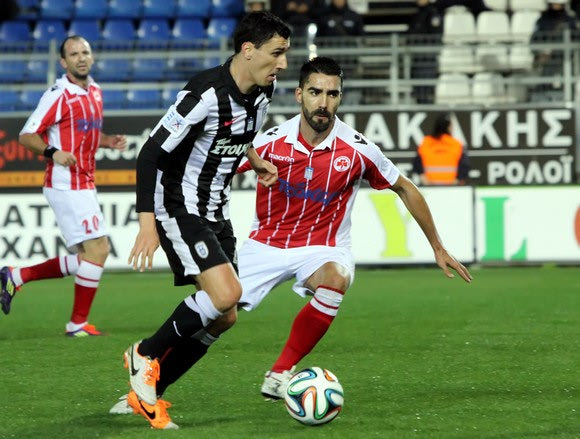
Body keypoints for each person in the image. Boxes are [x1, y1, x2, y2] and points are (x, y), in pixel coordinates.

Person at [110, 57, 472, 417]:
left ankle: (280, 373)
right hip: (264, 245)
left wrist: (437, 246)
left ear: (340, 98)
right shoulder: (269, 142)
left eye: (332, 94)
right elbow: (213, 169)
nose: (323, 102)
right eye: (315, 92)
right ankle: (148, 389)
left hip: (323, 247)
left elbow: (405, 187)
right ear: (299, 94)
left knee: (335, 279)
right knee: (219, 316)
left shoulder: (358, 148)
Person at [118, 11, 291, 430]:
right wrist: (147, 225)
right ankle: (144, 354)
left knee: (224, 316)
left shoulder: (264, 91)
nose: (283, 63)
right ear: (248, 50)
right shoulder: (204, 93)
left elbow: (239, 135)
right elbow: (150, 153)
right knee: (227, 293)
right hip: (179, 206)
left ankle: (145, 393)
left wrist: (255, 160)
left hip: (217, 212)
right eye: (277, 53)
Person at [1, 35, 127, 337]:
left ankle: (16, 276)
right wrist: (52, 152)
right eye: (74, 54)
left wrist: (107, 141)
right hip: (66, 183)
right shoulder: (58, 95)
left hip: (84, 182)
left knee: (87, 257)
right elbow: (26, 135)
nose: (81, 58)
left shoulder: (95, 91)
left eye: (85, 52)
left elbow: (87, 133)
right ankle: (77, 324)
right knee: (99, 249)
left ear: (92, 57)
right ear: (63, 62)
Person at [412, 112, 470, 186]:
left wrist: (423, 178)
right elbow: (465, 165)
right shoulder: (456, 144)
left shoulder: (426, 143)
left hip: (430, 187)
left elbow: (417, 163)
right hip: (451, 187)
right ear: (448, 127)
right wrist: (457, 180)